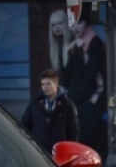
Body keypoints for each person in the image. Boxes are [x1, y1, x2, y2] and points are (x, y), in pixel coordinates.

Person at [62, 19, 106, 155]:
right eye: (73, 25)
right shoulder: (77, 46)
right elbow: (68, 77)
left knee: (86, 134)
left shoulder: (94, 45)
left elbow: (90, 77)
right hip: (80, 98)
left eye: (80, 23)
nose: (76, 28)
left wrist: (74, 97)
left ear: (86, 24)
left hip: (91, 100)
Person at [20, 68, 80, 152]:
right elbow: (25, 125)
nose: (45, 87)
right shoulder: (35, 104)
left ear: (56, 84)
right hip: (39, 152)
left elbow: (73, 131)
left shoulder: (67, 105)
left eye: (48, 84)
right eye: (43, 84)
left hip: (60, 151)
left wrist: (70, 151)